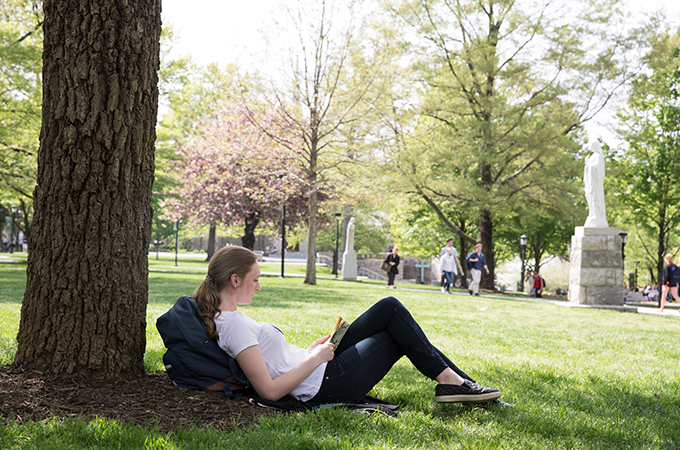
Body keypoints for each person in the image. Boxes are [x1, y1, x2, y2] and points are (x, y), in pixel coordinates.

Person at [192, 246, 502, 406]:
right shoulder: (233, 327)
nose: (258, 286)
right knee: (396, 332)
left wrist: (310, 351)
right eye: (255, 279)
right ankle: (458, 383)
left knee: (389, 309)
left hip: (316, 365)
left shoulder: (232, 319)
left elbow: (275, 361)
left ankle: (460, 384)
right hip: (324, 383)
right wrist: (315, 359)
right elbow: (270, 391)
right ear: (235, 280)